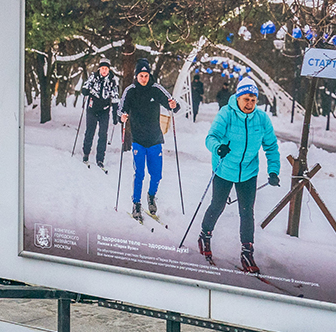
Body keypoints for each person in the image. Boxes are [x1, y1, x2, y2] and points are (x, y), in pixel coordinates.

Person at [198, 76, 281, 274]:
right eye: (246, 99)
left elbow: (271, 146)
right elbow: (211, 138)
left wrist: (273, 171)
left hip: (249, 172)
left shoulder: (262, 119)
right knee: (217, 205)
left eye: (253, 99)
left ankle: (247, 250)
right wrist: (218, 148)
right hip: (224, 168)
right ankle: (205, 234)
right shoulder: (226, 114)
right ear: (238, 97)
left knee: (247, 211)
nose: (250, 103)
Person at [119, 58, 179, 221]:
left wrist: (174, 105)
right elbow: (121, 109)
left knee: (156, 175)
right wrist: (122, 116)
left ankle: (151, 196)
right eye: (141, 75)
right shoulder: (130, 91)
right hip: (138, 139)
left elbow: (173, 104)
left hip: (155, 139)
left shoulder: (156, 89)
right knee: (139, 173)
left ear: (149, 75)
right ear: (137, 76)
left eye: (146, 75)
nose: (144, 78)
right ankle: (136, 204)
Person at [78, 60, 120, 169]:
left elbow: (115, 97)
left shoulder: (112, 80)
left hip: (104, 110)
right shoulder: (94, 76)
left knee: (103, 134)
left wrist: (116, 114)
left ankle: (100, 158)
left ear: (109, 69)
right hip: (92, 108)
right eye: (102, 68)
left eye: (106, 69)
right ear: (99, 69)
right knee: (90, 131)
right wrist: (85, 90)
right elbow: (86, 86)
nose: (104, 71)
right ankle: (86, 154)